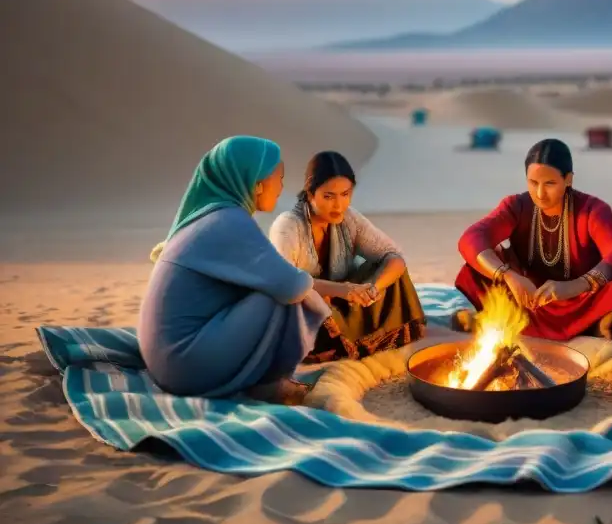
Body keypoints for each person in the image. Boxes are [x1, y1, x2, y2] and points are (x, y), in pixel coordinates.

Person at [139, 136, 332, 406]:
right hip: (185, 367)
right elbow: (292, 286)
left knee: (273, 287)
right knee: (281, 298)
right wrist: (316, 289)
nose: (282, 187)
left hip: (165, 361)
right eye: (279, 177)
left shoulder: (208, 217)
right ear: (256, 185)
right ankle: (269, 384)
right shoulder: (228, 222)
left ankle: (264, 381)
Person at [453, 138, 612, 345]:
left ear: (568, 179)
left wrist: (578, 285)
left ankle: (496, 321)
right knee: (475, 269)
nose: (540, 193)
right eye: (533, 183)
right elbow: (472, 238)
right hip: (529, 298)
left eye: (550, 184)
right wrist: (507, 275)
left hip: (581, 299)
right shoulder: (516, 206)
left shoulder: (591, 209)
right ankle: (584, 328)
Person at [269, 151, 426, 362]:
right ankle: (329, 345)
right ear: (309, 193)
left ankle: (354, 338)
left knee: (389, 271)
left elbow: (394, 257)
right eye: (328, 196)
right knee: (307, 301)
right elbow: (284, 283)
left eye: (345, 194)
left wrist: (372, 289)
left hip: (341, 303)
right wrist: (343, 290)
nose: (339, 205)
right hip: (303, 310)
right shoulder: (288, 225)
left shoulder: (349, 218)